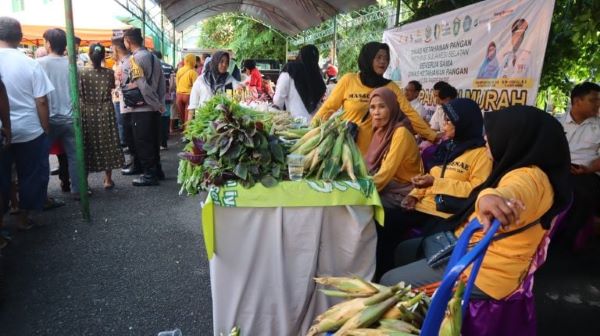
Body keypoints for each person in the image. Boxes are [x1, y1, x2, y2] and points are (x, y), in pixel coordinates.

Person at [380, 106, 571, 304]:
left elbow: (512, 191)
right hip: (470, 248)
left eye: (494, 132)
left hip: (482, 271)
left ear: (515, 138)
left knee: (388, 282)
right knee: (405, 250)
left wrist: (491, 197)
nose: (486, 138)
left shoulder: (531, 177)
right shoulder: (519, 167)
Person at [374, 98, 492, 279]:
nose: (443, 125)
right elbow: (429, 177)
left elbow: (476, 190)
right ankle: (381, 274)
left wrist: (436, 184)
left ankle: (396, 279)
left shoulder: (480, 155)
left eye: (448, 121)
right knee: (383, 222)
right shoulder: (446, 147)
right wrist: (413, 195)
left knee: (410, 244)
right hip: (423, 206)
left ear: (464, 123)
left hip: (447, 214)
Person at [313, 41, 438, 155]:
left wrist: (432, 135)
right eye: (378, 57)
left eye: (386, 58)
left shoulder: (390, 87)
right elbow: (328, 108)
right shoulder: (349, 80)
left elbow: (410, 113)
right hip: (346, 150)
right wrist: (311, 131)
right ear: (368, 58)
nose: (383, 62)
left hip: (376, 154)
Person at [0, 17, 53, 231]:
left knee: (3, 176)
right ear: (20, 37)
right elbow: (41, 100)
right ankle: (23, 217)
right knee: (30, 175)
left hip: (2, 132)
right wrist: (45, 127)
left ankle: (3, 221)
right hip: (30, 130)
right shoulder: (30, 64)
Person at [37, 28, 80, 198]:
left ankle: (43, 196)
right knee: (75, 157)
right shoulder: (72, 64)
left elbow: (39, 97)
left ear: (48, 43)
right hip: (71, 117)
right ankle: (78, 190)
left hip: (47, 118)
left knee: (41, 160)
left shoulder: (39, 64)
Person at [120, 28, 165, 186]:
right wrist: (160, 103)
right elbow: (161, 84)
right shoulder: (154, 58)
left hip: (142, 109)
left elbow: (142, 85)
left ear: (128, 41)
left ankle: (149, 175)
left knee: (143, 142)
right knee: (153, 141)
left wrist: (155, 103)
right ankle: (157, 171)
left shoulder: (134, 59)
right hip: (153, 108)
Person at [366, 87, 422, 209]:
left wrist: (359, 189)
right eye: (372, 107)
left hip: (403, 192)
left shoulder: (400, 132)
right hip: (388, 185)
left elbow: (385, 173)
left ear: (392, 108)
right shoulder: (380, 130)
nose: (376, 112)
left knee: (362, 205)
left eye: (382, 106)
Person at [560, 82, 600, 248]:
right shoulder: (557, 123)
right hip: (559, 171)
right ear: (577, 101)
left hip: (588, 173)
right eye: (593, 100)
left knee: (582, 193)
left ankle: (572, 238)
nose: (598, 104)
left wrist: (588, 168)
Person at [79, 43, 125, 189]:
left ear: (89, 55)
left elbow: (79, 93)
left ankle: (85, 182)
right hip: (106, 111)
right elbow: (113, 87)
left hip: (87, 111)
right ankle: (107, 180)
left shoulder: (81, 73)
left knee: (87, 144)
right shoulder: (109, 73)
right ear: (103, 55)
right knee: (108, 143)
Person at [273, 44, 326, 121]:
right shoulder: (317, 74)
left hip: (296, 124)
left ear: (300, 55)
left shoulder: (290, 69)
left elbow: (278, 100)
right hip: (315, 124)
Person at [153, 50, 174, 150]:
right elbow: (173, 84)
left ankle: (157, 142)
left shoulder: (153, 66)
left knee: (156, 119)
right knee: (165, 119)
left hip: (155, 97)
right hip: (166, 97)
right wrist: (169, 92)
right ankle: (164, 143)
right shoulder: (169, 67)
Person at [111, 37, 127, 148]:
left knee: (121, 123)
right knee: (120, 122)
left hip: (122, 98)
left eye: (112, 50)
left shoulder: (123, 64)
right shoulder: (117, 64)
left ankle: (124, 143)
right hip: (117, 97)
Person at [175, 54, 198, 128]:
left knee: (181, 117)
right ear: (193, 61)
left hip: (179, 95)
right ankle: (186, 134)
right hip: (188, 96)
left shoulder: (179, 70)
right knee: (187, 118)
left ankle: (183, 131)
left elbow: (177, 83)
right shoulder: (193, 72)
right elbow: (196, 86)